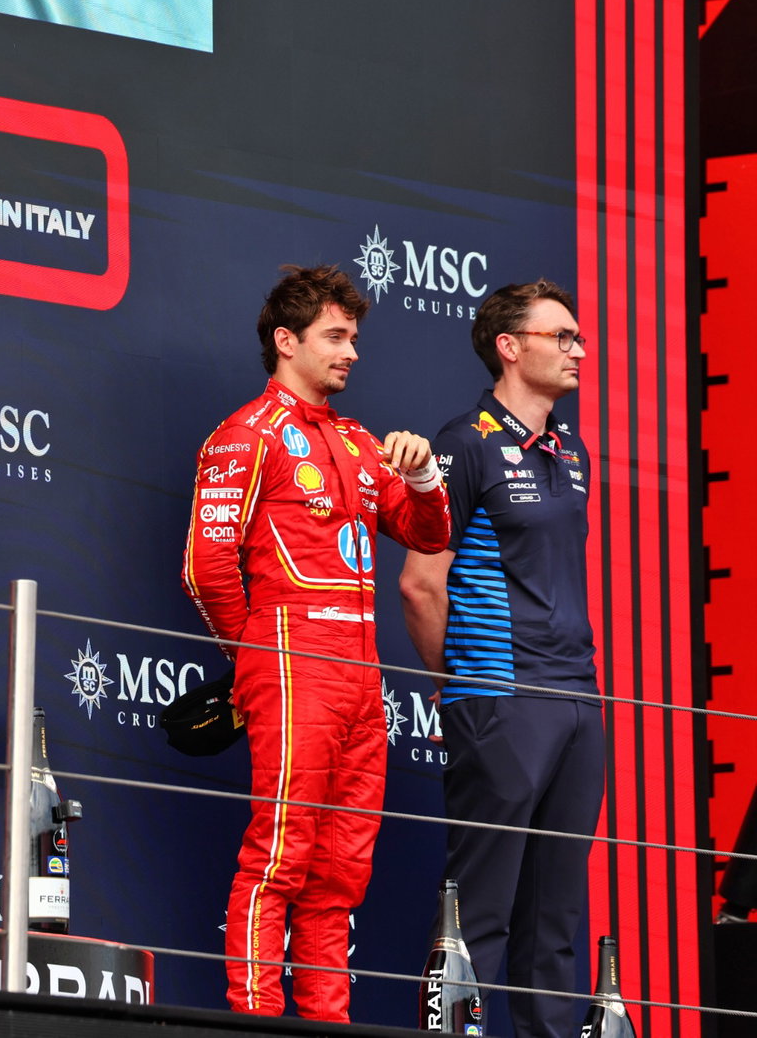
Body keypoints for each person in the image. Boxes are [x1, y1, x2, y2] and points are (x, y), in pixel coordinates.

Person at [181, 264, 450, 1021]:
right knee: (278, 856)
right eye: (336, 337)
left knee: (341, 872)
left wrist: (426, 474)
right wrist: (259, 660)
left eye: (355, 337)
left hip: (363, 677)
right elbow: (205, 569)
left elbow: (429, 532)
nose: (352, 352)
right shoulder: (247, 435)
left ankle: (328, 1020)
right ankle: (258, 1018)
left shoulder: (365, 444)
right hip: (293, 664)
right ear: (285, 341)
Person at [399, 280, 603, 1038]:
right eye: (562, 336)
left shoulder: (572, 447)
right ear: (511, 347)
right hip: (502, 696)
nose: (578, 349)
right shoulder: (465, 441)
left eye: (579, 337)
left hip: (579, 699)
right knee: (480, 907)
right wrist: (468, 690)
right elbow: (422, 583)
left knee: (556, 913)